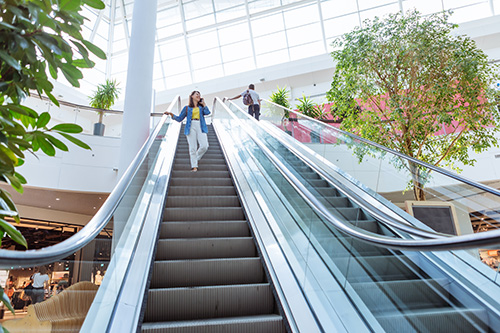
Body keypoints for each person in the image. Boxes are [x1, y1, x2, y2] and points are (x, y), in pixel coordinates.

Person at [164, 91, 211, 172]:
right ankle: (194, 166)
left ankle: (195, 158)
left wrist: (204, 104)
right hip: (190, 126)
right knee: (192, 147)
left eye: (199, 94)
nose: (198, 95)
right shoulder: (187, 108)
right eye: (196, 94)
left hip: (201, 125)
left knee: (204, 146)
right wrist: (171, 114)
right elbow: (179, 119)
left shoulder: (201, 107)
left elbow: (207, 113)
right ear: (192, 96)